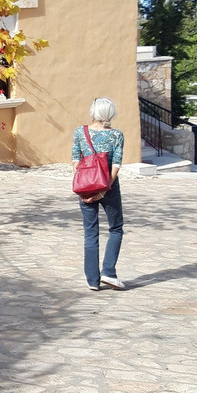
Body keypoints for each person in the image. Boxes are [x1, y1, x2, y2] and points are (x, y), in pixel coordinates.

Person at [72, 97, 125, 291]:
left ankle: (93, 281)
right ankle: (109, 273)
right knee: (116, 228)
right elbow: (116, 165)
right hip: (108, 187)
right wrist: (104, 190)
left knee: (90, 232)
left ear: (93, 112)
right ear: (110, 114)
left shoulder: (80, 132)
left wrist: (84, 188)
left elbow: (76, 163)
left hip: (85, 185)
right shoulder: (116, 135)